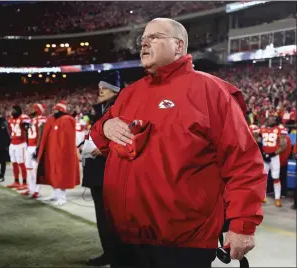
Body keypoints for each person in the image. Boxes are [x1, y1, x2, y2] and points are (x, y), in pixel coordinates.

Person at [90, 18, 266, 268]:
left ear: (179, 46)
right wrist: (105, 127)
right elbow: (97, 135)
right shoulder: (130, 93)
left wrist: (243, 225)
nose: (144, 43)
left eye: (155, 37)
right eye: (143, 39)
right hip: (125, 237)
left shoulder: (211, 91)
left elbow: (244, 162)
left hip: (181, 243)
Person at [82, 71, 132, 267]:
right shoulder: (101, 109)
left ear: (115, 90)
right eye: (100, 87)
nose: (100, 91)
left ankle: (118, 256)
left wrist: (103, 150)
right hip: (97, 173)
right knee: (102, 219)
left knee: (114, 220)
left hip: (112, 173)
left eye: (104, 88)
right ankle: (109, 253)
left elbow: (128, 140)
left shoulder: (122, 108)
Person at [36, 100, 80, 206]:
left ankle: (62, 197)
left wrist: (63, 153)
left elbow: (68, 141)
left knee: (61, 175)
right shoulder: (52, 120)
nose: (54, 111)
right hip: (51, 152)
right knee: (52, 174)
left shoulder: (67, 120)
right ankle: (55, 194)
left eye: (56, 109)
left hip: (61, 154)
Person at [258, 113, 288, 207]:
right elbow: (258, 141)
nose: (271, 119)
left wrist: (273, 154)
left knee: (275, 177)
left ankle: (277, 198)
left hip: (274, 157)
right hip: (265, 156)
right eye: (270, 117)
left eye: (273, 118)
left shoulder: (280, 129)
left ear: (276, 119)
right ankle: (262, 196)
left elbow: (284, 145)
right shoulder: (262, 129)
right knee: (263, 176)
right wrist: (262, 153)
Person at [21, 103, 47, 198]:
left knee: (36, 169)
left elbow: (41, 133)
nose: (29, 109)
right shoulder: (30, 120)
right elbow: (27, 132)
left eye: (32, 108)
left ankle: (37, 190)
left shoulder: (41, 119)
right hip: (29, 146)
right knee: (28, 168)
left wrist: (38, 148)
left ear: (37, 109)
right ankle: (31, 188)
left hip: (35, 146)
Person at [6, 105, 30, 190]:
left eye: (14, 110)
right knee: (14, 163)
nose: (12, 111)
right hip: (12, 143)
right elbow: (9, 129)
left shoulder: (24, 117)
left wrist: (25, 126)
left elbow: (28, 127)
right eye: (12, 110)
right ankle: (16, 181)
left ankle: (24, 182)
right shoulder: (11, 119)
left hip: (21, 144)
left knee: (21, 163)